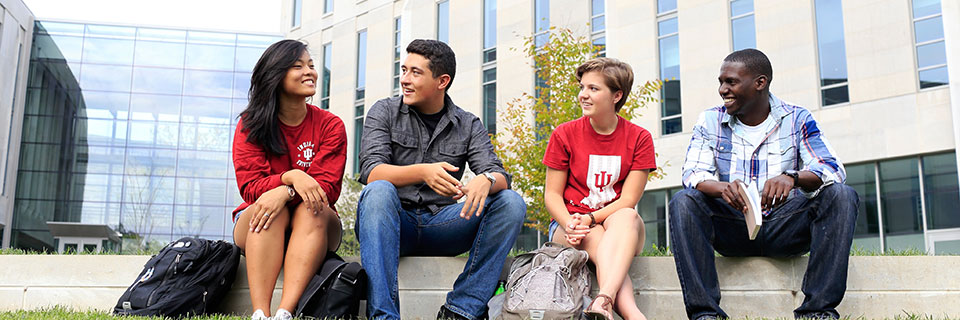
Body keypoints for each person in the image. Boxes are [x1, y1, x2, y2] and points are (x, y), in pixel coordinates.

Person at [669, 48, 859, 320]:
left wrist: (792, 177)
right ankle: (705, 314)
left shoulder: (797, 118)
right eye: (720, 82)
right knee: (684, 201)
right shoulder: (710, 120)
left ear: (760, 82)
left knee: (841, 195)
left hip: (785, 226)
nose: (722, 90)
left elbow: (832, 168)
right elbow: (692, 173)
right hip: (733, 226)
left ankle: (817, 312)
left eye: (731, 82)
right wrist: (723, 188)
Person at [355, 39, 527, 320]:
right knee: (378, 191)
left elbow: (499, 174)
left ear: (442, 81)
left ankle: (461, 310)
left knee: (510, 202)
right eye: (404, 70)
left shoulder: (468, 123)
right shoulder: (383, 111)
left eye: (415, 73)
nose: (405, 79)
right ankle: (384, 316)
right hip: (393, 224)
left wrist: (486, 179)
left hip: (444, 225)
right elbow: (371, 170)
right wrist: (423, 171)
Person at [231, 39, 347, 320]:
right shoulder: (250, 125)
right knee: (271, 209)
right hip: (259, 220)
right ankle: (260, 313)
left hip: (316, 222)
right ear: (275, 75)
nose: (310, 72)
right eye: (298, 66)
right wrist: (291, 177)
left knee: (311, 207)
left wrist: (285, 191)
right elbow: (250, 188)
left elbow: (326, 190)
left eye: (311, 65)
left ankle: (285, 313)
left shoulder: (331, 125)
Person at [542, 57, 655, 320]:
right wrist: (571, 223)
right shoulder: (564, 134)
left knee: (627, 215)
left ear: (617, 95)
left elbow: (628, 199)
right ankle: (623, 310)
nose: (583, 95)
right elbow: (552, 195)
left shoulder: (639, 138)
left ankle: (605, 302)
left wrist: (592, 217)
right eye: (582, 87)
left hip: (621, 226)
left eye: (593, 88)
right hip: (570, 225)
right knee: (596, 238)